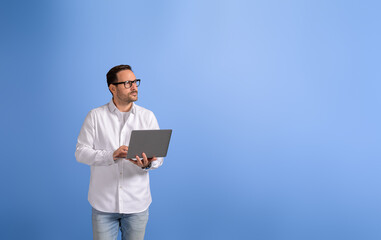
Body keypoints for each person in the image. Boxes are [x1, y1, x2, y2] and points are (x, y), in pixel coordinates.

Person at [75, 64, 164, 240]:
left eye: (135, 82)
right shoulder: (95, 116)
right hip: (103, 205)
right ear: (112, 88)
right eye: (128, 83)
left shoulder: (148, 117)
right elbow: (80, 153)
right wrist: (111, 155)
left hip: (137, 204)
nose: (134, 86)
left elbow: (158, 157)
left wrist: (148, 164)